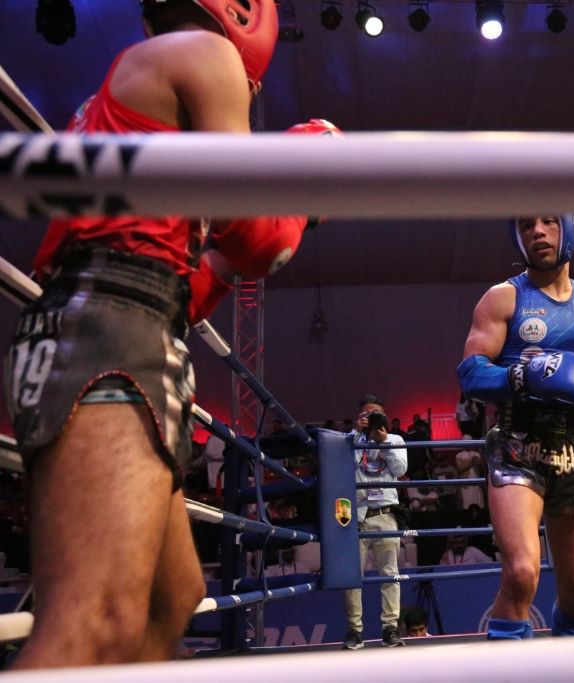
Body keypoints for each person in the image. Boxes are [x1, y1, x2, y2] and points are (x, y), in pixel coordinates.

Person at [0, 0, 335, 669]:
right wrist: (306, 183)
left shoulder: (150, 85)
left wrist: (258, 231)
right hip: (107, 333)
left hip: (124, 323)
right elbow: (258, 238)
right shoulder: (206, 54)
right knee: (94, 620)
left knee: (170, 598)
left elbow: (192, 281)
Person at [457, 215, 574, 639]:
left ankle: (570, 664)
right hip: (517, 444)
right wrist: (523, 376)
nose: (538, 232)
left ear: (568, 229)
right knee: (521, 573)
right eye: (527, 225)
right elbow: (469, 374)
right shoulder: (503, 298)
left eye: (548, 222)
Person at [343, 394, 408, 649]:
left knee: (390, 575)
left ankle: (390, 629)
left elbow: (400, 470)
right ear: (359, 417)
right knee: (352, 578)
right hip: (356, 517)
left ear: (384, 417)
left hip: (386, 514)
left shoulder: (395, 440)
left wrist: (383, 443)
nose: (370, 419)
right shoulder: (349, 441)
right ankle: (354, 631)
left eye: (375, 414)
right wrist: (357, 434)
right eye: (366, 414)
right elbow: (344, 468)